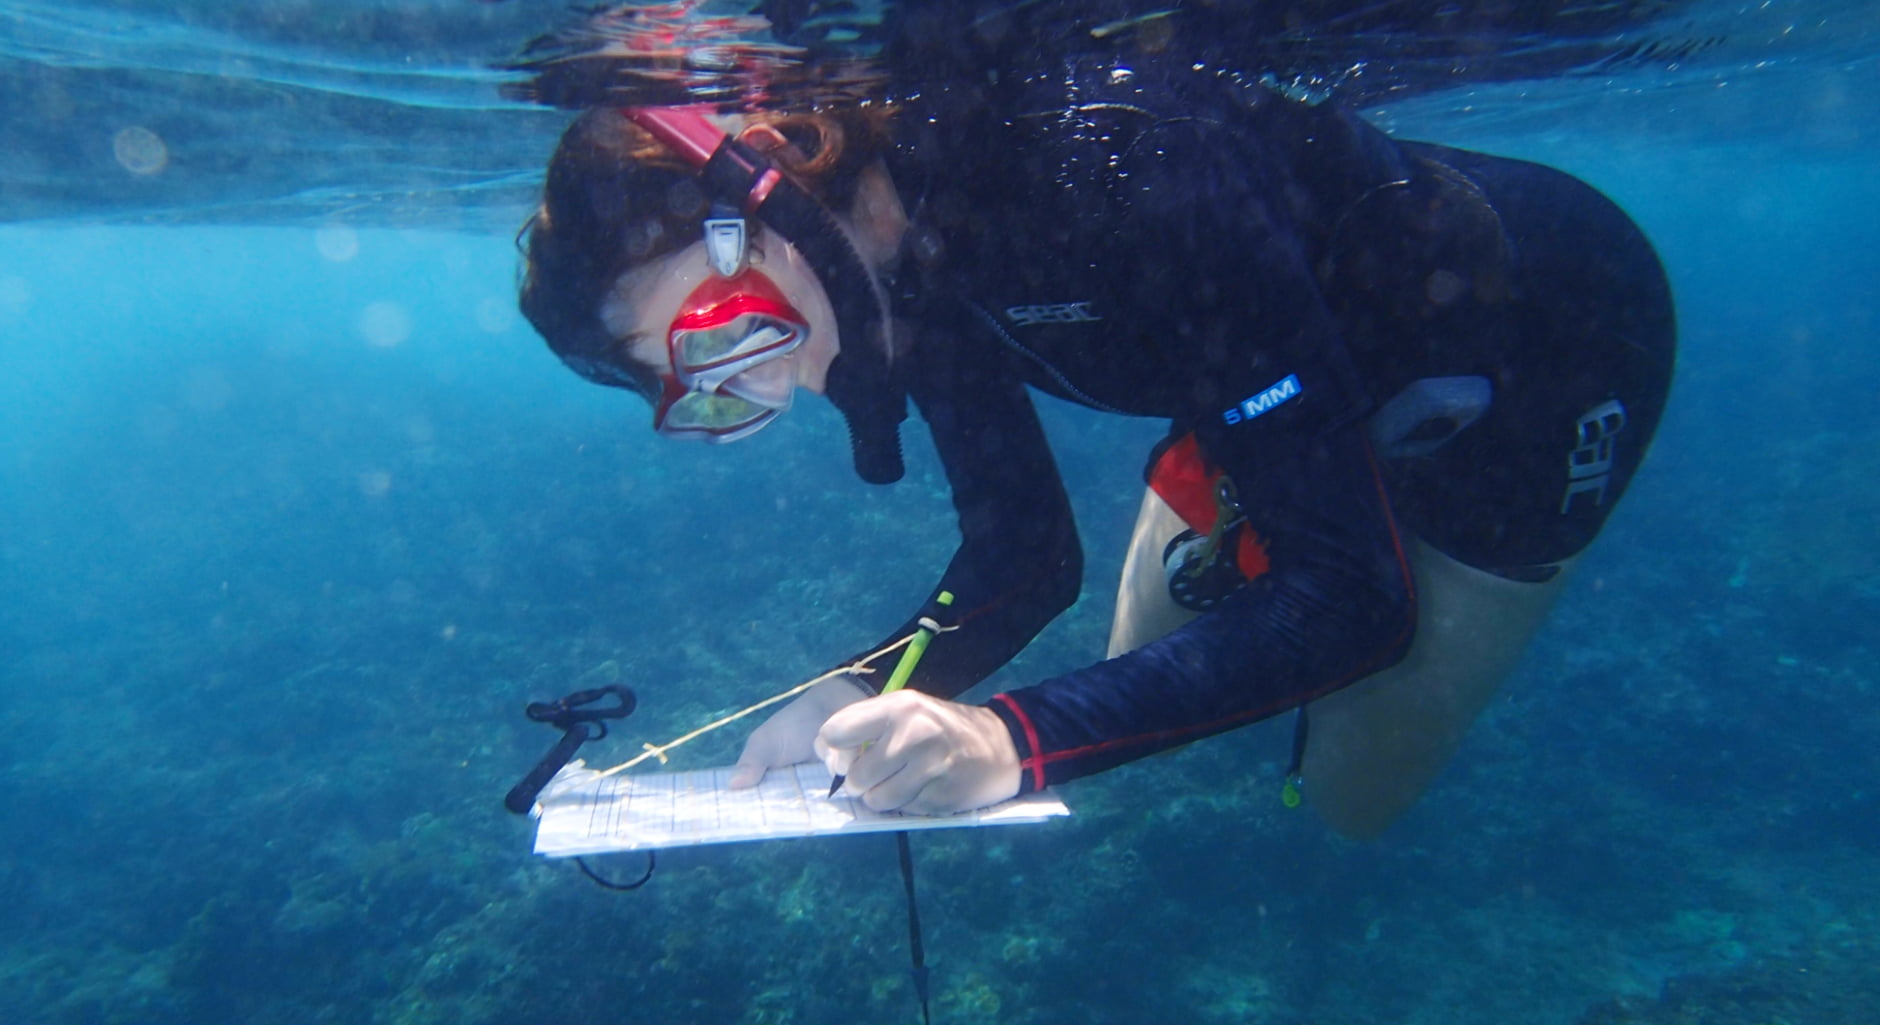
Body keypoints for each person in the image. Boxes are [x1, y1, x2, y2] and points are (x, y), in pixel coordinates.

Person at [513, 43, 1674, 838]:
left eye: (729, 333)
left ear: (773, 182)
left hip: (1537, 349)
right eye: (718, 394)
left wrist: (1008, 741)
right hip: (1261, 384)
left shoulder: (1119, 166)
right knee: (1146, 657)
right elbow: (1024, 557)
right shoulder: (892, 273)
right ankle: (1270, 477)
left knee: (1347, 801)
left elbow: (1353, 601)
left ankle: (1336, 503)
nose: (779, 381)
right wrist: (861, 686)